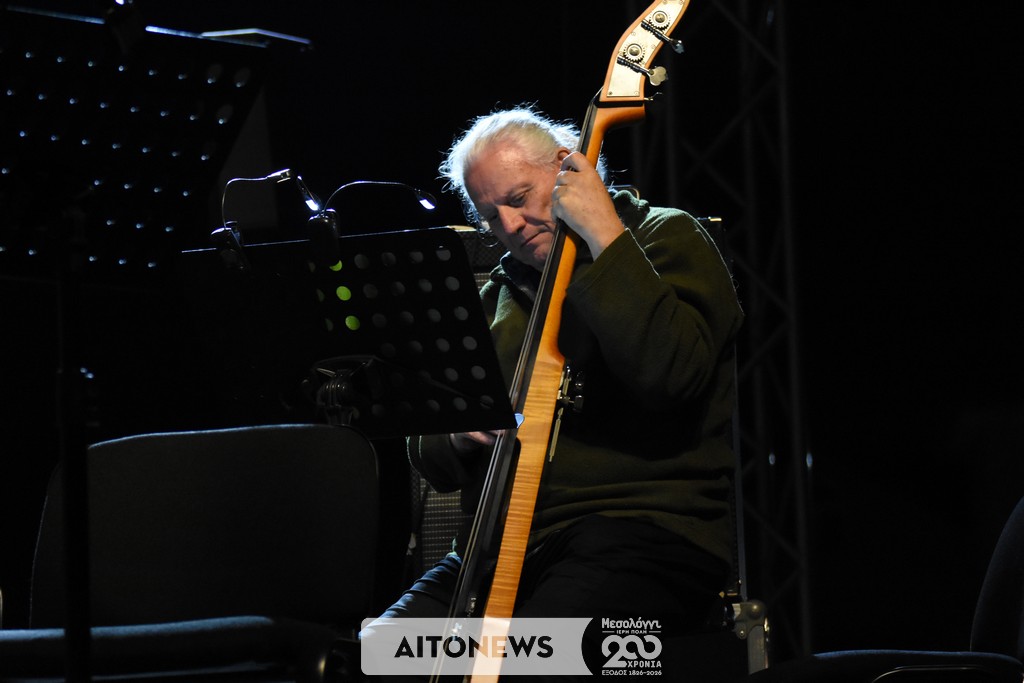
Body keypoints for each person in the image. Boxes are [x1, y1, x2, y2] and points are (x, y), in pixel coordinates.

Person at [362, 105, 744, 678]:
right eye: (491, 216)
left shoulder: (664, 237)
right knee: (376, 658)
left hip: (642, 533)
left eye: (519, 198)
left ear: (569, 168)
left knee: (533, 660)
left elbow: (672, 375)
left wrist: (602, 236)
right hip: (502, 550)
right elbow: (430, 453)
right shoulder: (494, 298)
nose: (510, 225)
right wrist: (459, 433)